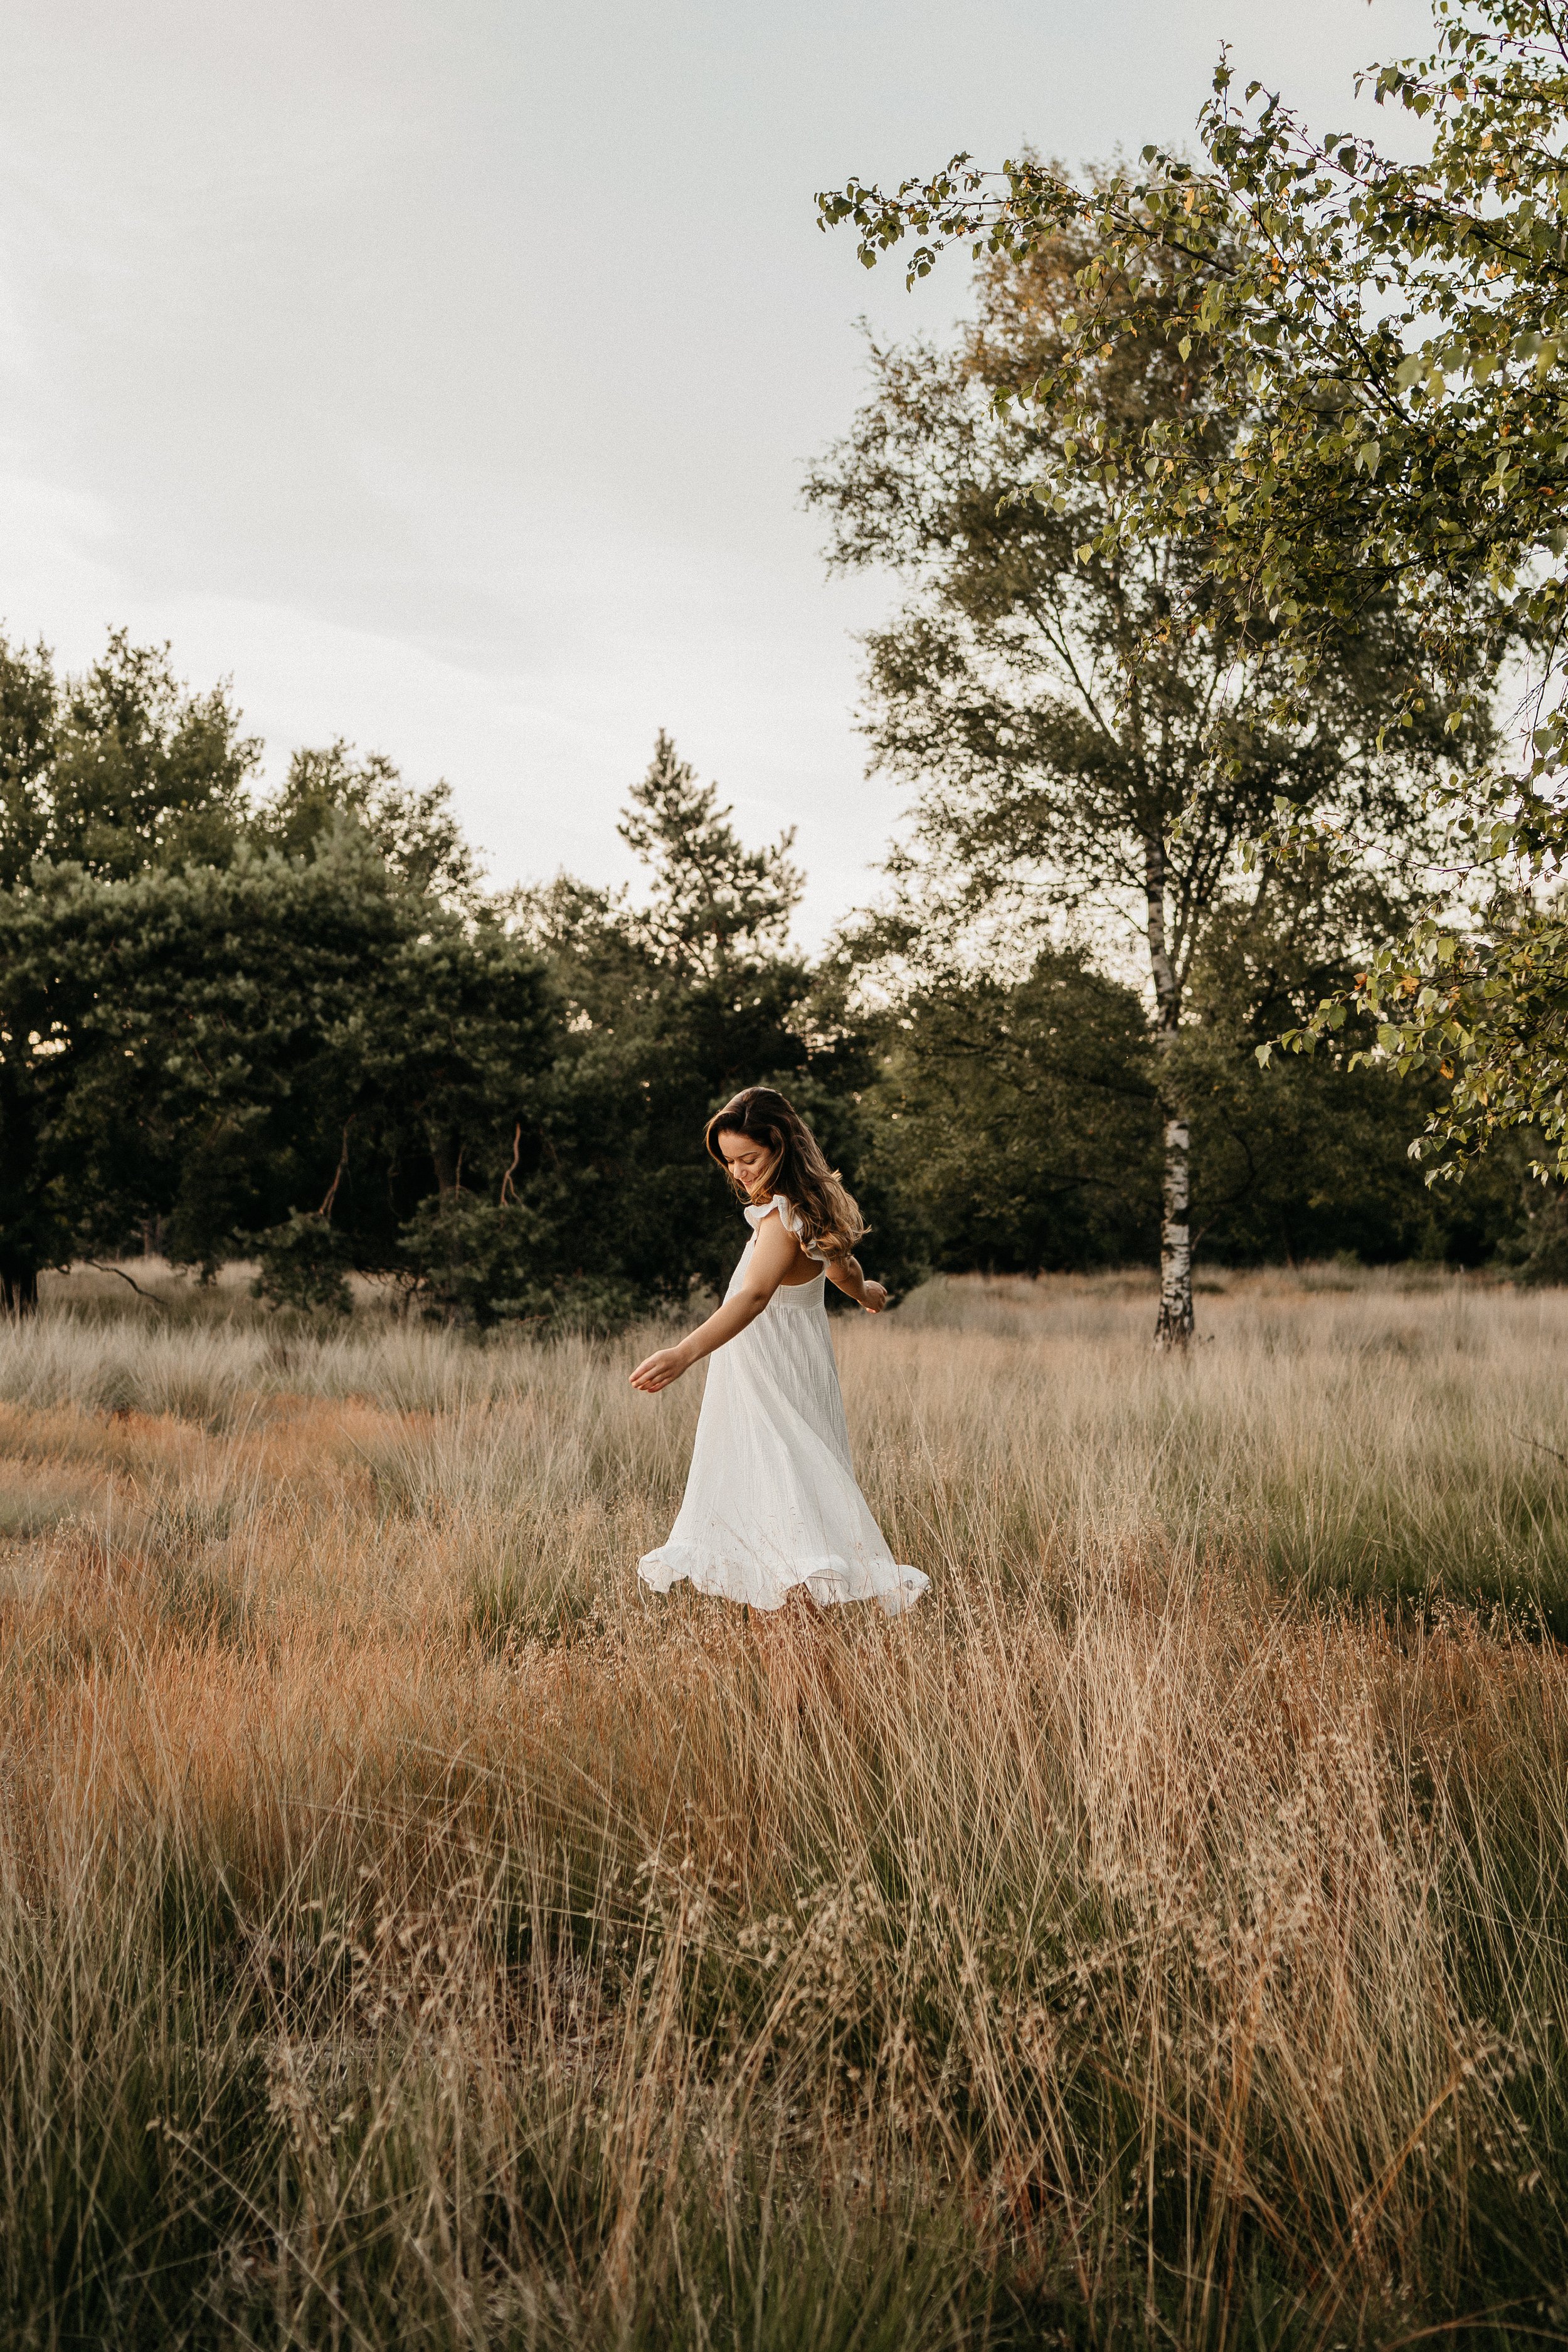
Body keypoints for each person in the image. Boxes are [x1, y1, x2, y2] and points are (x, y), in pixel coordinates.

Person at [631, 1086, 928, 1616]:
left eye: (750, 1158)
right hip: (784, 1374)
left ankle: (801, 1682)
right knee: (787, 1516)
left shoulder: (782, 1218)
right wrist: (865, 1293)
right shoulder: (805, 1213)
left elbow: (754, 1296)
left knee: (787, 1522)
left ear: (783, 1146)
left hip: (773, 1382)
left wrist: (684, 1351)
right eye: (730, 1163)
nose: (740, 1172)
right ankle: (801, 1683)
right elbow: (843, 1268)